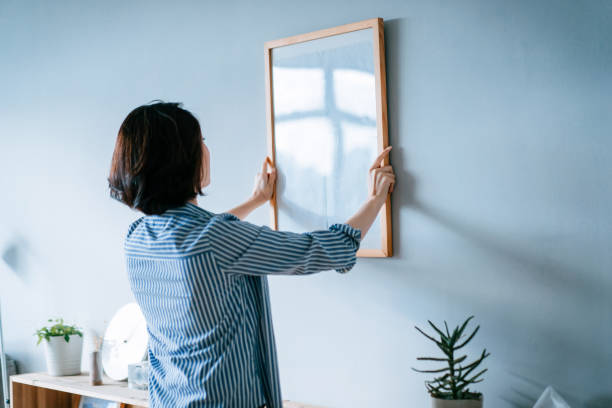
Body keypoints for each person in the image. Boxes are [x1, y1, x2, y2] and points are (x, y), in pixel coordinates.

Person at [108, 101, 395, 408]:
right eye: (201, 142)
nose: (206, 150)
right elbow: (318, 249)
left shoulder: (137, 236)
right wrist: (376, 199)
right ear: (181, 161)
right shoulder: (214, 240)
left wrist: (255, 200)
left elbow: (203, 238)